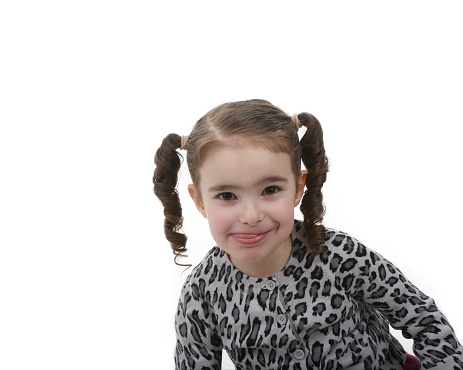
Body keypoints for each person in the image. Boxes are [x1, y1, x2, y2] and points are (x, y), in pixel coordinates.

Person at [153, 99, 463, 369]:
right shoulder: (201, 294)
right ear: (199, 201)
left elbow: (424, 319)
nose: (250, 216)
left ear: (298, 187)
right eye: (227, 196)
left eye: (270, 190)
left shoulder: (340, 255)